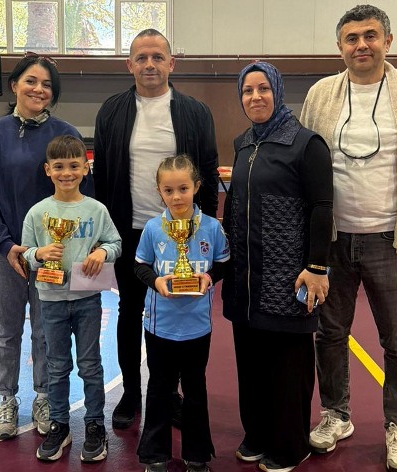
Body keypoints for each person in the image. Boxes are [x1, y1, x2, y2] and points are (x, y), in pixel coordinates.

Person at [300, 5, 397, 472]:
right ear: (339, 47)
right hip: (333, 240)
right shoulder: (321, 94)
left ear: (388, 41)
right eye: (351, 38)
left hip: (391, 237)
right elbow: (304, 164)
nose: (361, 45)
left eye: (370, 35)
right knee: (329, 333)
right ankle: (336, 414)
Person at [93, 28, 219, 430]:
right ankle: (132, 392)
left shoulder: (195, 112)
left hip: (180, 236)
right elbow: (102, 176)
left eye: (157, 57)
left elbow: (208, 172)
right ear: (129, 65)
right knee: (129, 311)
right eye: (142, 58)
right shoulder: (111, 111)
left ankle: (171, 393)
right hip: (130, 232)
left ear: (171, 63)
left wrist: (204, 231)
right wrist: (103, 233)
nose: (150, 64)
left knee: (177, 312)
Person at [0, 53, 93, 440]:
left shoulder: (65, 134)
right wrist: (5, 245)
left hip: (53, 255)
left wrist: (72, 245)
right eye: (31, 81)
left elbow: (82, 192)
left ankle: (44, 396)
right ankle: (6, 399)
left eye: (47, 85)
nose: (39, 89)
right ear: (14, 85)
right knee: (7, 330)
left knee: (46, 329)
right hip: (4, 253)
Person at [221, 61, 333, 472]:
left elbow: (322, 207)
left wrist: (316, 266)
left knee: (287, 368)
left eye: (263, 88)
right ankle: (257, 434)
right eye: (247, 90)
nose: (255, 97)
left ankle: (290, 444)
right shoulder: (243, 144)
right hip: (246, 279)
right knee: (251, 364)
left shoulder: (306, 144)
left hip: (288, 278)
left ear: (278, 91)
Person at [21, 135, 121, 463]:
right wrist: (39, 254)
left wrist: (103, 253)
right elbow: (26, 254)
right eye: (59, 166)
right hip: (50, 300)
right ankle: (60, 425)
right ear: (47, 170)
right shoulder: (37, 213)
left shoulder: (96, 210)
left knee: (90, 365)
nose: (67, 173)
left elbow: (115, 243)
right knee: (57, 365)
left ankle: (94, 424)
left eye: (74, 166)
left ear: (86, 168)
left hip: (87, 299)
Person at [134, 155, 229, 472]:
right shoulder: (153, 228)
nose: (176, 197)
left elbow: (223, 264)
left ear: (197, 187)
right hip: (160, 326)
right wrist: (156, 281)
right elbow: (140, 265)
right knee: (159, 389)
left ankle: (197, 455)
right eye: (169, 190)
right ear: (159, 192)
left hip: (197, 327)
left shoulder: (211, 227)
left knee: (195, 390)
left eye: (183, 189)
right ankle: (155, 455)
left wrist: (208, 277)